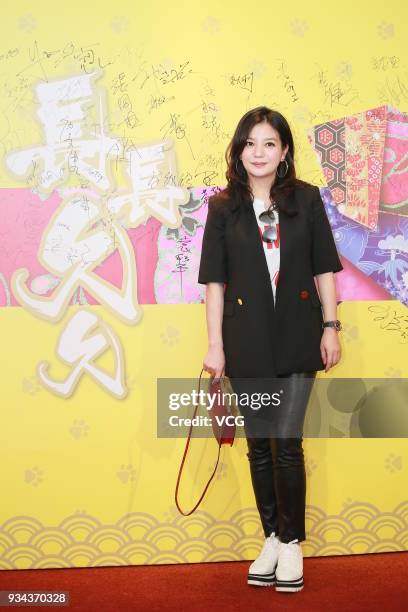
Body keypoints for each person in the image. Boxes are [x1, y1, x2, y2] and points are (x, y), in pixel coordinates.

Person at [197, 107, 343, 593]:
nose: (258, 153)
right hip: (245, 341)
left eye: (269, 144)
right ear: (239, 152)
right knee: (259, 445)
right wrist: (216, 345)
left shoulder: (306, 200)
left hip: (300, 335)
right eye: (250, 144)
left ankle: (293, 542)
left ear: (284, 152)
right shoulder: (223, 208)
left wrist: (331, 326)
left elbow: (324, 267)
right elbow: (214, 283)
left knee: (286, 443)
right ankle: (272, 538)